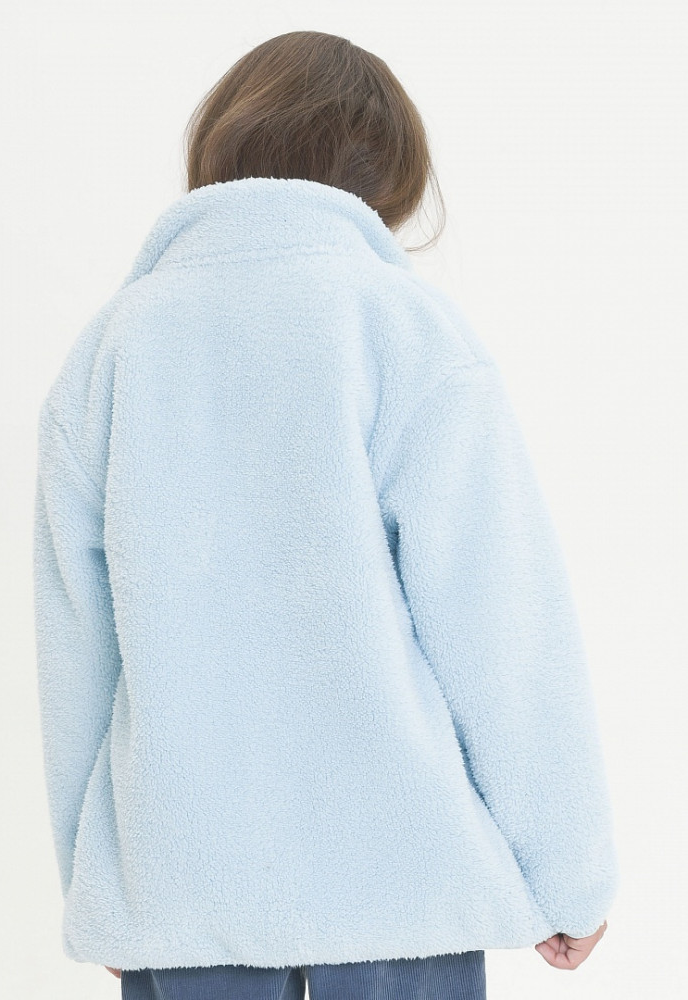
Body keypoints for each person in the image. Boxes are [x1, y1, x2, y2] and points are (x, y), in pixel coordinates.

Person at [32, 30, 619, 1000]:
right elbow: (502, 624)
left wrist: (100, 886)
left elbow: (76, 658)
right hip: (401, 884)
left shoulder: (111, 350)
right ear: (390, 180)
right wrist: (569, 870)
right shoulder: (405, 330)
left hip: (186, 893)